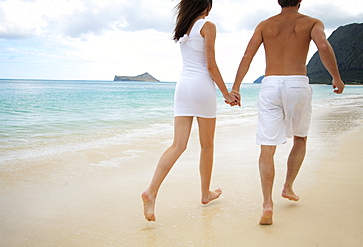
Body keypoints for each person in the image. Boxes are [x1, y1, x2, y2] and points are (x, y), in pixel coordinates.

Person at [231, 0, 345, 225]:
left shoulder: (265, 25)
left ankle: (267, 204)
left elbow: (247, 56)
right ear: (300, 0)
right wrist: (336, 77)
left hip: (270, 84)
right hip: (297, 84)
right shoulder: (311, 23)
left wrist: (235, 88)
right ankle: (288, 186)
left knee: (267, 146)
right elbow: (323, 47)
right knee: (300, 138)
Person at [141, 0, 237, 222]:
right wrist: (226, 93)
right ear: (206, 6)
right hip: (202, 87)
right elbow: (210, 65)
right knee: (207, 145)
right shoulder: (207, 26)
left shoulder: (183, 29)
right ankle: (205, 194)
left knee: (178, 145)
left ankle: (151, 191)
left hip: (183, 87)